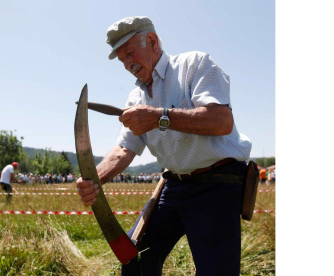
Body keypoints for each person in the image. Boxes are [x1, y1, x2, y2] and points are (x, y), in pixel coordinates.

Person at [76, 16, 252, 275]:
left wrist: (160, 117)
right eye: (121, 59)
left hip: (217, 183)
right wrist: (94, 179)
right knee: (135, 262)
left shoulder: (194, 64)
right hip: (172, 186)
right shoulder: (136, 97)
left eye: (130, 53)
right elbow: (125, 148)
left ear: (152, 41)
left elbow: (221, 120)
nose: (127, 64)